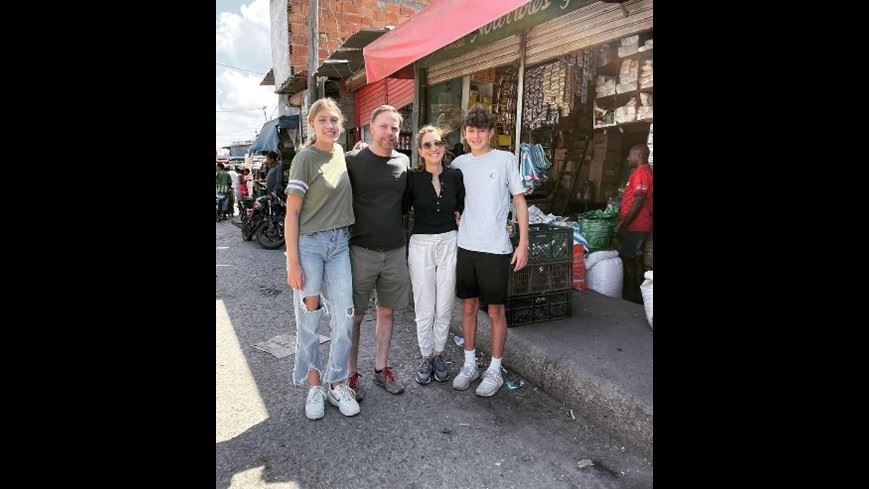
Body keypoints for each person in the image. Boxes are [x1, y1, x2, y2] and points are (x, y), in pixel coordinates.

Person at [284, 97, 359, 420]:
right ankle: (314, 385)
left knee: (344, 317)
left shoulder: (342, 154)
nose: (330, 126)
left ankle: (336, 381)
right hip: (310, 246)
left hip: (339, 244)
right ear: (312, 124)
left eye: (334, 121)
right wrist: (293, 262)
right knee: (310, 319)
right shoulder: (305, 158)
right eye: (323, 120)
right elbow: (292, 212)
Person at [449, 105, 528, 397]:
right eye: (471, 130)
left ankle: (494, 369)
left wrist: (523, 243)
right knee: (468, 307)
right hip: (466, 245)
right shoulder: (458, 164)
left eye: (482, 130)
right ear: (465, 133)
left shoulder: (505, 159)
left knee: (495, 310)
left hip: (496, 248)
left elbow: (519, 201)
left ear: (491, 133)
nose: (476, 135)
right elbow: (451, 198)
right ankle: (469, 364)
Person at [345, 105, 411, 399]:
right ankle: (350, 374)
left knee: (386, 312)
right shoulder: (353, 160)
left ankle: (381, 369)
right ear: (370, 127)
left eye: (394, 127)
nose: (389, 133)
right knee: (356, 316)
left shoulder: (404, 161)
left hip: (395, 250)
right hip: (361, 249)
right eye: (384, 126)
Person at [405, 125, 465, 385]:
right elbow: (401, 208)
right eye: (428, 145)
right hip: (421, 244)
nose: (434, 148)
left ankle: (439, 353)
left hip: (450, 241)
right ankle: (426, 355)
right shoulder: (412, 177)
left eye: (438, 143)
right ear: (420, 150)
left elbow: (462, 206)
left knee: (445, 304)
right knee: (424, 304)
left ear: (444, 146)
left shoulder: (455, 175)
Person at [612, 144, 653, 304]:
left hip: (637, 225)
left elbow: (639, 201)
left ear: (639, 156)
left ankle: (632, 296)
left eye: (630, 155)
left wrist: (622, 225)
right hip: (639, 224)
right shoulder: (642, 172)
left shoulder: (641, 173)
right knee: (634, 259)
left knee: (629, 258)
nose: (628, 158)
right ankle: (638, 294)